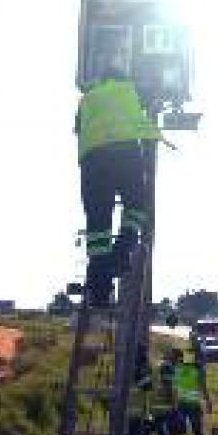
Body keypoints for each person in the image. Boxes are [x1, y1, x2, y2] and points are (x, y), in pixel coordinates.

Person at [75, 64, 163, 308]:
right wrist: (148, 153)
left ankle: (100, 289)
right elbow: (143, 120)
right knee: (136, 204)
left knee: (97, 222)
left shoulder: (87, 99)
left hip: (92, 161)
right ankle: (123, 250)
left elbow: (77, 129)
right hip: (125, 155)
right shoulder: (129, 90)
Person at [175, 344, 213, 435]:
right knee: (196, 427)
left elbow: (176, 384)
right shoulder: (198, 370)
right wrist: (208, 402)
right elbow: (203, 387)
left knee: (182, 427)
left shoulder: (180, 367)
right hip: (191, 404)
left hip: (182, 402)